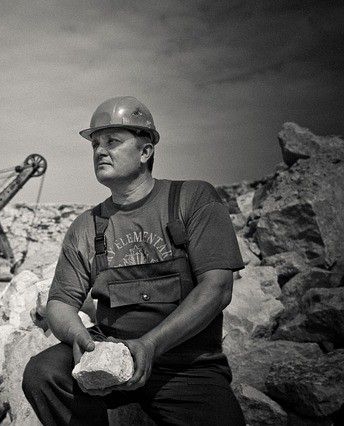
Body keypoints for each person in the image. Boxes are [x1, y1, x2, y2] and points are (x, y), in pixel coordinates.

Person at [22, 96, 246, 425]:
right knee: (43, 374)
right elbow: (59, 304)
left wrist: (150, 345)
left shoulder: (192, 199)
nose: (100, 151)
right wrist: (81, 340)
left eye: (112, 141)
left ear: (145, 152)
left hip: (185, 368)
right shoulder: (87, 226)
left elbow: (217, 288)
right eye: (95, 143)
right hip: (109, 356)